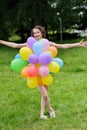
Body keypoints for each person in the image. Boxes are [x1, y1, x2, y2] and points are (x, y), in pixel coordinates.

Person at [0, 25, 87, 119]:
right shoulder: (29, 44)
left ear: (42, 33)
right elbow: (15, 45)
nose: (36, 34)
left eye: (37, 32)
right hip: (34, 72)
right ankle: (50, 109)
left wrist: (77, 44)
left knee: (44, 94)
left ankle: (41, 114)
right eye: (34, 33)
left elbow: (63, 46)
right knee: (45, 95)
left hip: (45, 71)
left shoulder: (47, 43)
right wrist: (1, 41)